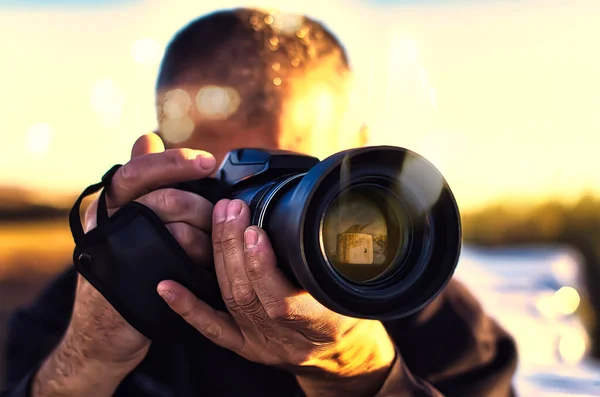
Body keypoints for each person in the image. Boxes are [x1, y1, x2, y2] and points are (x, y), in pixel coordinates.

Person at [1, 8, 518, 397]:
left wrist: (359, 367)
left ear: (358, 153)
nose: (241, 213)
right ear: (160, 157)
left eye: (298, 174)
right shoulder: (100, 297)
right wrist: (89, 356)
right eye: (218, 176)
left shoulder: (409, 293)